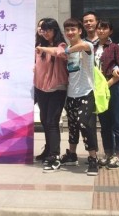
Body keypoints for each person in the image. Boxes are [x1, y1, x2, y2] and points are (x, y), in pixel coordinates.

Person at [47, 18, 100, 176]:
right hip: (71, 94)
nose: (70, 32)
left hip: (86, 92)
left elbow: (82, 46)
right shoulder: (68, 48)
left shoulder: (87, 45)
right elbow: (55, 51)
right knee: (72, 126)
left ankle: (93, 158)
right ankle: (72, 154)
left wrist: (66, 51)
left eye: (73, 29)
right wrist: (41, 48)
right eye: (67, 30)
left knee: (84, 124)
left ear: (80, 31)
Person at [33, 18, 68, 172]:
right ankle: (48, 150)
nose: (45, 32)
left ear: (55, 30)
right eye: (43, 30)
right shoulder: (39, 47)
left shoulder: (61, 45)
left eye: (48, 29)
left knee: (52, 121)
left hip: (57, 89)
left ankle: (55, 156)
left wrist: (43, 48)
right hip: (41, 89)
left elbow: (60, 52)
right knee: (44, 121)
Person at [94, 20, 119, 169]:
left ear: (110, 31)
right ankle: (108, 153)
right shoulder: (92, 47)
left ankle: (118, 155)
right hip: (98, 89)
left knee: (117, 122)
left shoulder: (114, 47)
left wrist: (107, 84)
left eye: (104, 28)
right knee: (104, 123)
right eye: (99, 28)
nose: (101, 31)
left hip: (112, 87)